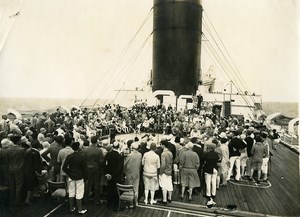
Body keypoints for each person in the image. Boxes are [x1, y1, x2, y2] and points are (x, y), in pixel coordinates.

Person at [63, 142, 87, 214]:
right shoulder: (82, 156)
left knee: (71, 192)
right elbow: (85, 169)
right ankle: (80, 210)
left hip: (71, 177)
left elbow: (64, 168)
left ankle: (71, 208)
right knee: (79, 193)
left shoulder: (69, 156)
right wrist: (86, 178)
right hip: (80, 177)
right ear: (78, 147)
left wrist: (70, 173)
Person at [82, 135, 104, 205]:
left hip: (88, 169)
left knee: (87, 184)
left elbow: (83, 160)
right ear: (96, 141)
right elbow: (101, 161)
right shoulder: (99, 150)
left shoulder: (85, 150)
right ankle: (96, 200)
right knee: (96, 184)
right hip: (96, 169)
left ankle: (86, 199)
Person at [104, 141, 124, 211]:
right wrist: (113, 175)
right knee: (116, 191)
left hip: (109, 176)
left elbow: (105, 165)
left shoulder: (108, 155)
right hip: (116, 177)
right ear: (118, 147)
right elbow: (119, 168)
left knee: (109, 190)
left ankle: (109, 205)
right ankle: (116, 206)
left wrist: (107, 174)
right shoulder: (120, 157)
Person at [7, 135, 26, 206]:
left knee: (12, 185)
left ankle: (11, 200)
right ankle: (17, 201)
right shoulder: (22, 150)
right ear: (18, 141)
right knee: (19, 185)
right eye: (20, 140)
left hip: (10, 168)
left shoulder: (8, 149)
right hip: (19, 169)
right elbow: (25, 158)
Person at [23, 140, 42, 205]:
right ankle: (27, 200)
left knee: (30, 184)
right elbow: (36, 165)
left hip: (27, 170)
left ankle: (30, 197)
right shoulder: (36, 153)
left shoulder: (28, 151)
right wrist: (38, 173)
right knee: (30, 185)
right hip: (32, 171)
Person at [123, 142, 142, 206]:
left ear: (131, 148)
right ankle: (136, 202)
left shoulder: (129, 156)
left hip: (130, 174)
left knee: (130, 189)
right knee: (136, 188)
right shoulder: (140, 155)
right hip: (136, 173)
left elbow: (124, 165)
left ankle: (130, 203)